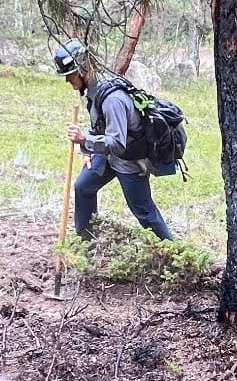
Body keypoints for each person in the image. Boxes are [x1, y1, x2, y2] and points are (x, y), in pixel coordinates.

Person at [53, 40, 174, 241]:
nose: (68, 81)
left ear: (83, 68)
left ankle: (173, 253)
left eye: (70, 75)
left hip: (129, 160)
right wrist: (87, 149)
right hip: (107, 154)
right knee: (83, 187)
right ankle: (87, 244)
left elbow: (118, 143)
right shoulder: (93, 88)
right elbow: (99, 124)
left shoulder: (113, 99)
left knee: (143, 210)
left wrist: (84, 138)